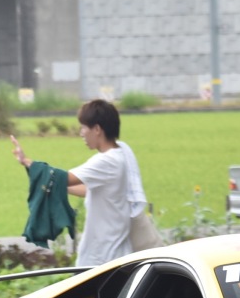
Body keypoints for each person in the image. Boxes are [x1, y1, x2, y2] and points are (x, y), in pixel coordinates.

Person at [10, 99, 147, 266]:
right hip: (111, 255)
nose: (81, 133)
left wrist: (26, 161)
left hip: (103, 259)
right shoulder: (121, 152)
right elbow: (89, 190)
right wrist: (58, 186)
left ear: (97, 129)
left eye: (83, 127)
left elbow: (60, 177)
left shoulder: (108, 161)